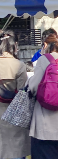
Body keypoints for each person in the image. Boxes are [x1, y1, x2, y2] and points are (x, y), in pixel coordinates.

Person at [0, 30, 31, 159]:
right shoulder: (19, 65)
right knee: (16, 151)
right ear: (14, 46)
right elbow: (22, 93)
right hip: (14, 115)